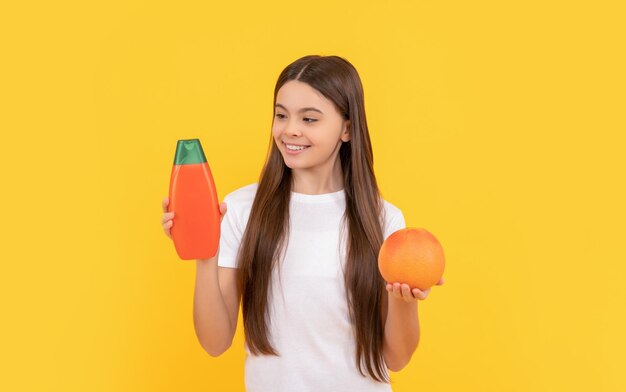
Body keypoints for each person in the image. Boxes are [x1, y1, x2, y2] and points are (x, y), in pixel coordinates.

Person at [161, 54, 444, 391]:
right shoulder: (241, 209)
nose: (290, 129)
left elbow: (396, 358)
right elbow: (214, 342)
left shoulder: (383, 220)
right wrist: (204, 249)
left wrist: (403, 301)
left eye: (309, 119)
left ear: (347, 128)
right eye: (281, 115)